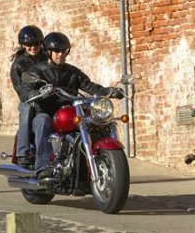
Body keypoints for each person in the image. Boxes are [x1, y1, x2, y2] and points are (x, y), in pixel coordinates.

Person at [20, 32, 124, 180]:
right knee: (43, 121)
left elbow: (89, 85)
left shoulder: (72, 72)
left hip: (69, 111)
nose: (60, 54)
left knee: (95, 120)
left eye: (64, 51)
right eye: (56, 51)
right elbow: (26, 91)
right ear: (48, 52)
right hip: (45, 112)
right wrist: (38, 92)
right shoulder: (37, 71)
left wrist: (109, 91)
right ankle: (42, 167)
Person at [10, 25, 47, 165]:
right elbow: (21, 88)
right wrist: (33, 94)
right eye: (29, 44)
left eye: (36, 43)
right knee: (27, 109)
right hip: (30, 98)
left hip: (48, 95)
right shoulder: (19, 63)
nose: (33, 47)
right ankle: (23, 152)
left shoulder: (46, 56)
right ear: (23, 45)